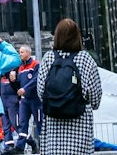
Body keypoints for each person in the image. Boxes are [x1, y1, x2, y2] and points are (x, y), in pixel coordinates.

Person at [33, 19, 100, 155]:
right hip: (80, 123)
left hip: (53, 124)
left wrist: (56, 101)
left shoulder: (48, 58)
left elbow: (41, 92)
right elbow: (95, 98)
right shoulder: (85, 59)